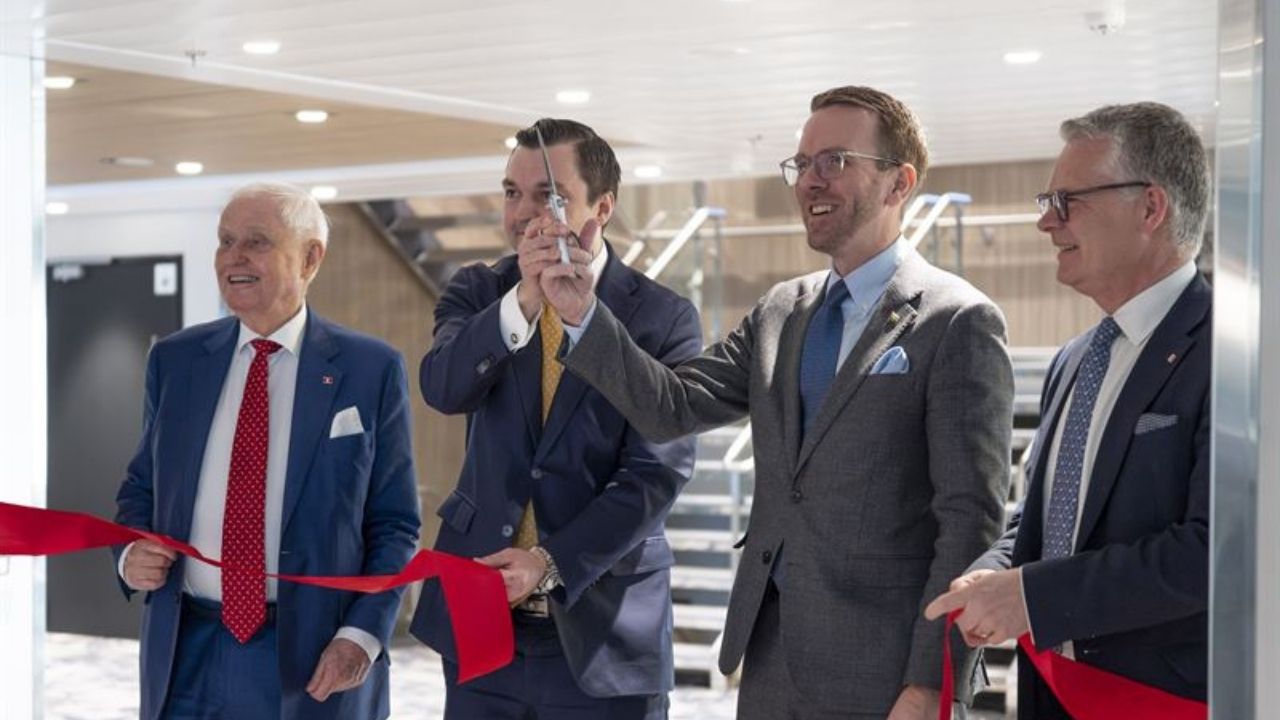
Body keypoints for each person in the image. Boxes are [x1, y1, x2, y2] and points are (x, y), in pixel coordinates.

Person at [542, 86, 1013, 719]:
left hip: (885, 671)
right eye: (802, 163)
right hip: (769, 658)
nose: (810, 181)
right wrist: (582, 314)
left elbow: (968, 521)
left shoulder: (957, 321)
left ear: (899, 183)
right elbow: (672, 405)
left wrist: (934, 678)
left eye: (835, 161)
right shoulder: (780, 312)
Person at [925, 101, 1211, 719]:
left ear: (1151, 207)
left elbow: (1215, 552)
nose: (1046, 225)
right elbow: (1048, 520)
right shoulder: (1078, 357)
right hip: (1049, 694)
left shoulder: (1234, 356)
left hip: (1162, 701)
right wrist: (992, 573)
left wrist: (1030, 598)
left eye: (1066, 202)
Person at [408, 118, 702, 719]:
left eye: (549, 194)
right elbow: (443, 387)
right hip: (480, 624)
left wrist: (550, 562)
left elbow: (656, 474)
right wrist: (523, 299)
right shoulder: (477, 291)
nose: (522, 213)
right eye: (512, 193)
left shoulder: (664, 320)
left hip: (605, 631)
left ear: (603, 207)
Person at [114, 182, 421, 720]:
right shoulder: (176, 361)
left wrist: (363, 634)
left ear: (310, 258)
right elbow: (141, 488)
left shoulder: (370, 368)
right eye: (225, 241)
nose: (234, 257)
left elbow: (394, 525)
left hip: (315, 651)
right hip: (188, 646)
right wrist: (127, 553)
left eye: (256, 242)